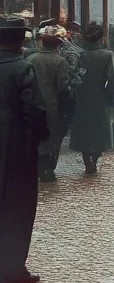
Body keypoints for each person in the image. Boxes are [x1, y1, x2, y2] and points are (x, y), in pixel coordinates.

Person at [0, 16, 49, 283]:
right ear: (20, 42)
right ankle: (12, 267)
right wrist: (40, 141)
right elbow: (35, 110)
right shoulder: (23, 69)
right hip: (17, 146)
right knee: (18, 206)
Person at [70, 22, 114, 175]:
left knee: (84, 128)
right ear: (100, 38)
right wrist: (111, 97)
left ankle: (87, 161)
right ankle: (94, 159)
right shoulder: (107, 54)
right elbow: (112, 79)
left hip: (82, 94)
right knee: (99, 128)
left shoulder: (80, 54)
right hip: (100, 94)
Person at [27, 25, 71, 182]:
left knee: (37, 136)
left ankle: (39, 167)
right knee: (53, 136)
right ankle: (49, 170)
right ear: (57, 45)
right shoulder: (60, 62)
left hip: (32, 104)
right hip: (53, 105)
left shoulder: (30, 59)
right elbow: (63, 86)